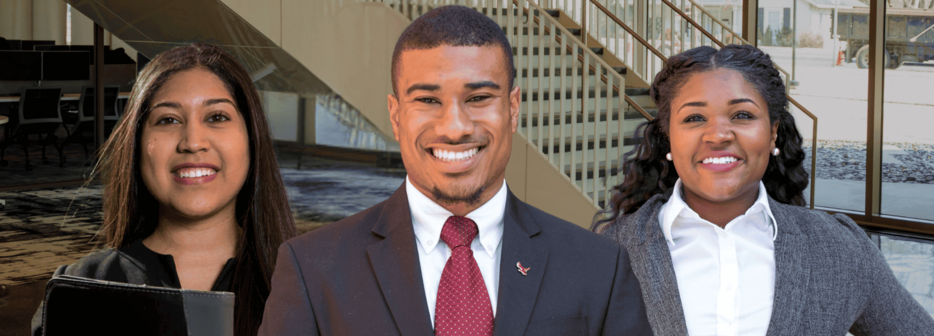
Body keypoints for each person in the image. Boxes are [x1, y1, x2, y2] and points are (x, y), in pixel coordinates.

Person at [258, 6, 651, 336]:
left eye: (478, 98)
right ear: (396, 116)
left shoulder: (600, 266)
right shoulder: (312, 268)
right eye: (428, 99)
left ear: (513, 109)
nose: (454, 127)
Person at [594, 44, 934, 335]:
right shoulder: (609, 254)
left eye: (742, 115)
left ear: (772, 134)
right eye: (695, 119)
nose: (718, 135)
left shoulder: (839, 249)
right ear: (669, 135)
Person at [31, 43, 297, 336]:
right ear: (137, 145)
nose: (193, 142)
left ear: (251, 138)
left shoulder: (303, 284)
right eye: (168, 120)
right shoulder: (80, 285)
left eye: (217, 117)